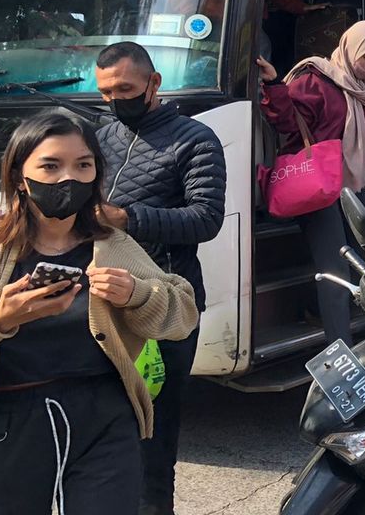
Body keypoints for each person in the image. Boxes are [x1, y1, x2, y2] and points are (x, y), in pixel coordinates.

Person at [0, 113, 198, 515]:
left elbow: (182, 314)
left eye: (83, 165)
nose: (68, 179)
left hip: (104, 418)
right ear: (19, 178)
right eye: (50, 165)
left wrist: (138, 295)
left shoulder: (111, 244)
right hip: (5, 421)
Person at [94, 42, 227, 515]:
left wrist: (127, 217)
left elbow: (206, 220)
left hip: (163, 307)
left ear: (154, 83)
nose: (115, 99)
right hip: (101, 304)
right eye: (105, 92)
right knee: (101, 433)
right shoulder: (101, 134)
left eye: (125, 89)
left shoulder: (196, 139)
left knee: (154, 440)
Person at [257, 21, 365, 344]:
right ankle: (343, 351)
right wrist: (273, 87)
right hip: (318, 186)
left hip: (350, 184)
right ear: (351, 49)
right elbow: (286, 122)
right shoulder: (316, 81)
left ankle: (317, 307)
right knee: (337, 269)